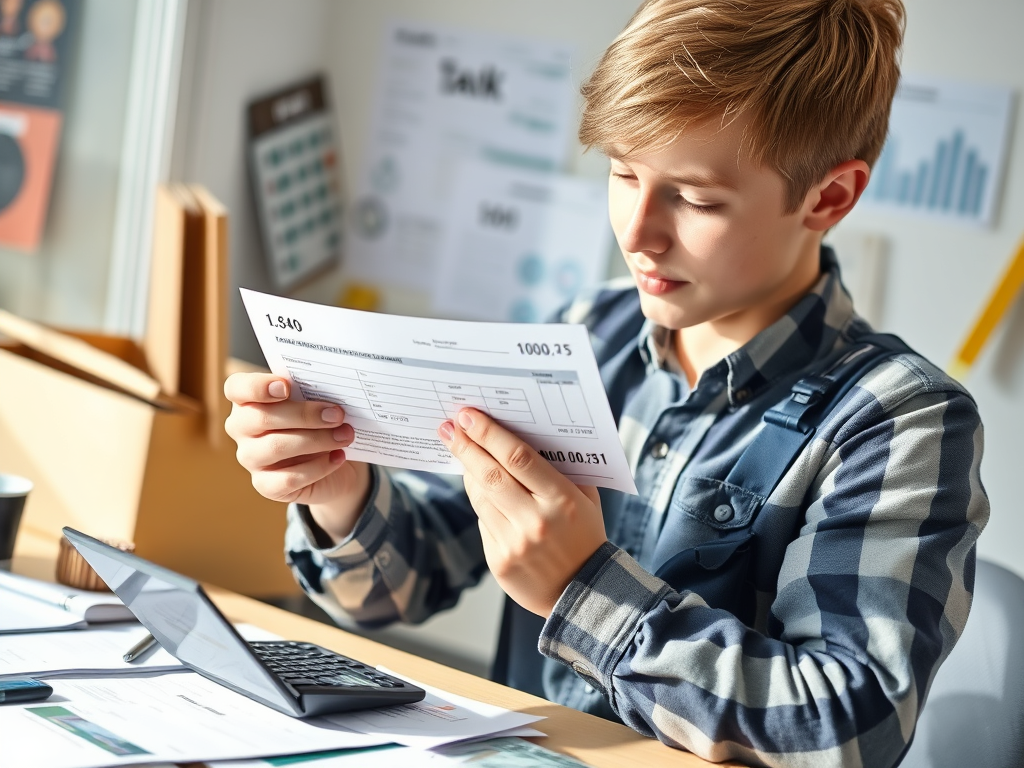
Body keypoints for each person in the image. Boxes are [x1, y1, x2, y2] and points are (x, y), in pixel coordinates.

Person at [225, 1, 989, 764]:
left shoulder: (900, 421)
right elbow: (397, 587)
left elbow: (846, 731)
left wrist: (581, 587)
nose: (635, 232)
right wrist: (338, 489)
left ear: (829, 197)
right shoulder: (590, 331)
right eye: (623, 172)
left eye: (695, 198)